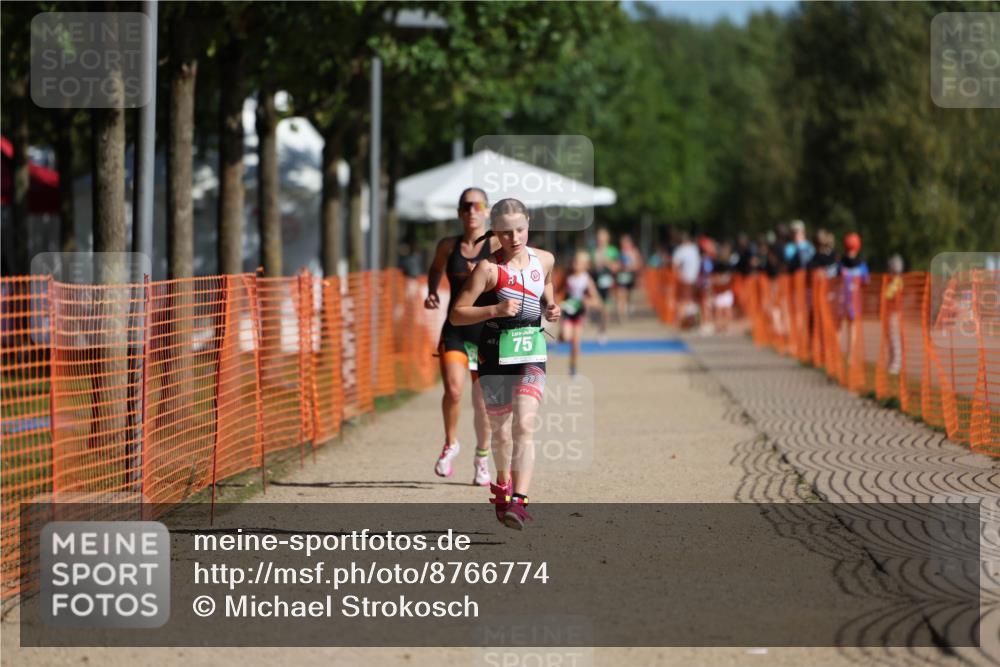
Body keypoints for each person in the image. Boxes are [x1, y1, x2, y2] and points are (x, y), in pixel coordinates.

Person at [450, 198, 560, 529]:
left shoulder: (545, 259)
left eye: (520, 230)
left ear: (529, 225)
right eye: (507, 232)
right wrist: (494, 310)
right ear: (495, 232)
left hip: (531, 351)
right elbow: (457, 314)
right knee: (500, 433)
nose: (515, 238)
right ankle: (502, 485)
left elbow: (547, 281)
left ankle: (519, 501)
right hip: (495, 353)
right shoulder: (488, 269)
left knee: (524, 424)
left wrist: (551, 305)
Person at [424, 187, 499, 485]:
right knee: (454, 391)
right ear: (459, 212)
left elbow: (516, 271)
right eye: (466, 206)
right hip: (455, 328)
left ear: (487, 211)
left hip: (487, 333)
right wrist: (432, 291)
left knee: (482, 403)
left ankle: (482, 458)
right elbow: (435, 269)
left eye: (478, 205)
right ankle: (450, 443)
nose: (472, 211)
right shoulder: (448, 245)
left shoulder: (497, 244)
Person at [560, 250, 601, 377]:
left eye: (578, 262)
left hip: (579, 314)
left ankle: (572, 367)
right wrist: (558, 303)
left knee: (576, 344)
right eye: (574, 261)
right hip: (567, 312)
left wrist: (587, 301)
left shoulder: (586, 279)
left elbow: (596, 300)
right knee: (566, 337)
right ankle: (562, 335)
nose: (575, 264)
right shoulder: (567, 277)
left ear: (585, 265)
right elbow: (557, 293)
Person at [589, 228, 618, 342]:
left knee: (605, 309)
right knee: (598, 306)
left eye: (603, 237)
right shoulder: (593, 251)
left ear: (607, 238)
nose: (600, 239)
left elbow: (616, 267)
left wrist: (606, 261)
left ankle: (603, 331)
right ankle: (597, 324)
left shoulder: (612, 250)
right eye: (599, 237)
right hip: (596, 282)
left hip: (607, 282)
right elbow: (590, 267)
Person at [671, 230, 700, 329]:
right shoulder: (694, 249)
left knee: (685, 300)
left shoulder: (681, 250)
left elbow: (675, 265)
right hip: (693, 278)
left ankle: (685, 321)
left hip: (686, 279)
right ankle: (688, 321)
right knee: (691, 299)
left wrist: (678, 276)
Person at [614, 234, 642, 323]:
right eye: (623, 243)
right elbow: (617, 264)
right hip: (622, 276)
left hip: (630, 276)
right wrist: (619, 267)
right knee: (621, 295)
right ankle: (621, 315)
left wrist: (631, 267)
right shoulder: (620, 253)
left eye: (626, 242)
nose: (624, 244)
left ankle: (626, 308)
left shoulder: (634, 252)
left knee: (627, 295)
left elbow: (639, 264)